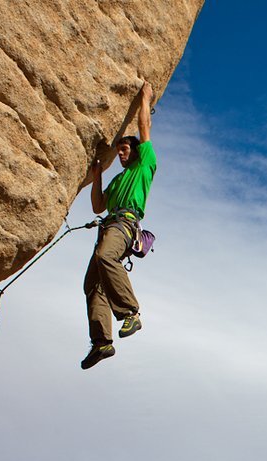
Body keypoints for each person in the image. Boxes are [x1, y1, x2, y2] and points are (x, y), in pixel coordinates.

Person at [81, 82, 157, 370]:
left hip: (124, 225)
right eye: (120, 150)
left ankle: (130, 313)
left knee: (104, 258)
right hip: (110, 224)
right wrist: (98, 174)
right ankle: (101, 342)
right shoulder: (117, 181)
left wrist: (145, 99)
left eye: (125, 149)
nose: (122, 153)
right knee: (92, 285)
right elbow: (98, 206)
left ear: (137, 152)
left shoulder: (143, 165)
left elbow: (144, 126)